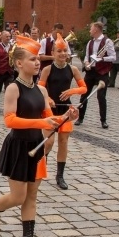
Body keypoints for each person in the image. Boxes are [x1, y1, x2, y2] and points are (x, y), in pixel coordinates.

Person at [0, 35, 76, 237]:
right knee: (18, 196)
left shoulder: (41, 91)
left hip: (37, 146)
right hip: (18, 146)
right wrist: (40, 123)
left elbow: (48, 119)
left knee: (31, 196)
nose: (37, 63)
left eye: (38, 59)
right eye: (32, 59)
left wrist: (66, 116)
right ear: (19, 63)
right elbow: (9, 120)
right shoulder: (14, 88)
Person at [38, 36, 86, 190]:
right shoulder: (47, 69)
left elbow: (84, 88)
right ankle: (40, 166)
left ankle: (60, 175)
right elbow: (40, 88)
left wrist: (72, 91)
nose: (63, 53)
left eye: (65, 50)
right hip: (50, 110)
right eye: (59, 51)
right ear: (53, 52)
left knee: (63, 143)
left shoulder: (73, 69)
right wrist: (49, 98)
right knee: (49, 142)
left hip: (65, 110)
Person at [75, 22, 115, 128]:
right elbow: (87, 56)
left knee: (101, 97)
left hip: (102, 72)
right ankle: (80, 118)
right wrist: (87, 63)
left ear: (96, 29)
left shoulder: (107, 42)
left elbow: (113, 57)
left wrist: (101, 58)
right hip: (91, 72)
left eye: (91, 28)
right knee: (84, 94)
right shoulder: (90, 42)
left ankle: (103, 120)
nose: (89, 30)